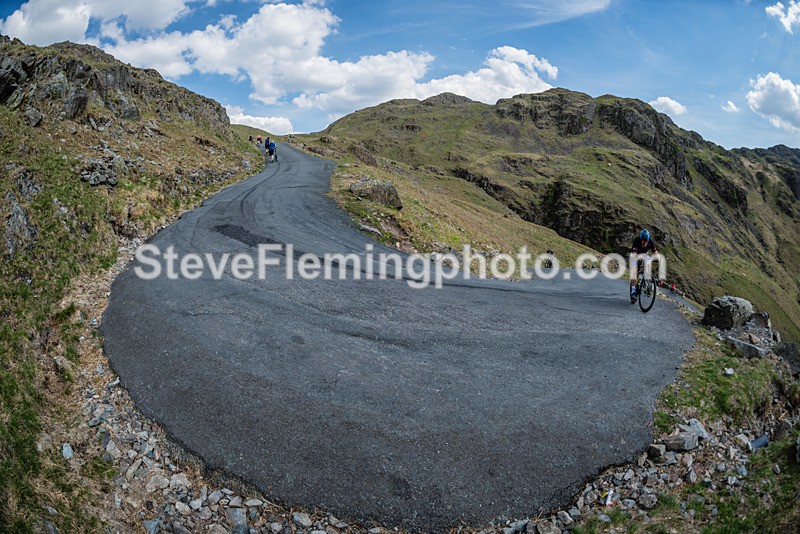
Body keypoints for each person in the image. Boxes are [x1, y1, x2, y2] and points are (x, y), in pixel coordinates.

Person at [630, 229, 657, 302]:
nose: (645, 243)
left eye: (646, 241)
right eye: (643, 241)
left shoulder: (651, 242)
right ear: (641, 239)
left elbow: (655, 252)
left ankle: (647, 283)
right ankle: (633, 292)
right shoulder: (637, 240)